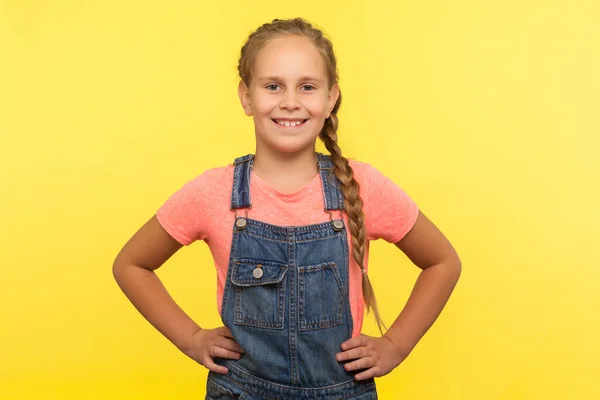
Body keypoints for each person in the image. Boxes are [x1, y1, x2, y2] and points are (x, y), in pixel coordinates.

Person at [113, 17, 462, 400]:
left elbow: (443, 262)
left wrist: (396, 345)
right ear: (246, 96)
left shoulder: (361, 187)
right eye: (273, 86)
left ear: (330, 99)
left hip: (342, 391)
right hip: (241, 390)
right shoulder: (214, 192)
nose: (290, 101)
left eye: (307, 87)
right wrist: (192, 338)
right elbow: (131, 265)